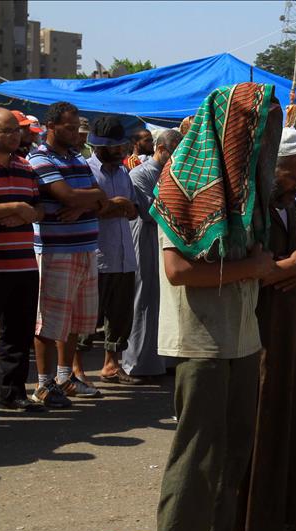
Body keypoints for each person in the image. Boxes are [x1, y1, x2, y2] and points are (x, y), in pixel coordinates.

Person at [144, 83, 281, 531]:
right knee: (198, 454)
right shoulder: (183, 183)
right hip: (200, 340)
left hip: (240, 335)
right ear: (232, 132)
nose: (266, 141)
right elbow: (178, 271)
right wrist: (255, 268)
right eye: (259, 129)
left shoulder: (247, 193)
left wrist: (260, 269)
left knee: (233, 448)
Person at [232, 128, 296, 531]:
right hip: (259, 330)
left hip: (291, 330)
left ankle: (277, 517)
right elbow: (245, 269)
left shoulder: (290, 206)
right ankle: (241, 529)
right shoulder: (250, 207)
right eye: (291, 176)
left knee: (286, 418)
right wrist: (291, 267)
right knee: (257, 421)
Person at [27, 101, 109, 407]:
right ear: (51, 127)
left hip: (85, 248)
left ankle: (65, 377)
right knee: (49, 321)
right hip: (56, 251)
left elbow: (100, 200)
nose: (76, 133)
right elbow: (68, 195)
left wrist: (85, 202)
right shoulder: (40, 158)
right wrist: (87, 199)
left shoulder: (76, 158)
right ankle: (43, 384)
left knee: (76, 319)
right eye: (70, 128)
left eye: (77, 128)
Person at [0, 108, 45, 412]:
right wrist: (15, 208)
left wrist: (28, 213)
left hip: (23, 264)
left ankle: (12, 394)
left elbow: (39, 209)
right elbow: (24, 207)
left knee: (18, 334)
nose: (15, 136)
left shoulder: (25, 167)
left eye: (16, 130)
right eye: (7, 130)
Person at [85, 116, 142, 387]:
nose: (121, 150)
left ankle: (111, 365)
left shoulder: (123, 174)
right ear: (99, 147)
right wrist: (116, 205)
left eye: (122, 145)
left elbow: (133, 210)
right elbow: (92, 210)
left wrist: (116, 205)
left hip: (123, 256)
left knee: (120, 316)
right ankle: (75, 370)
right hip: (97, 256)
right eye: (115, 146)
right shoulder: (86, 171)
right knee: (87, 318)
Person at [122, 128, 183, 378]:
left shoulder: (172, 172)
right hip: (145, 239)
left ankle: (163, 359)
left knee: (163, 299)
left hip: (165, 240)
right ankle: (136, 362)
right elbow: (150, 212)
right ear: (161, 150)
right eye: (173, 153)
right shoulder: (140, 174)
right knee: (143, 298)